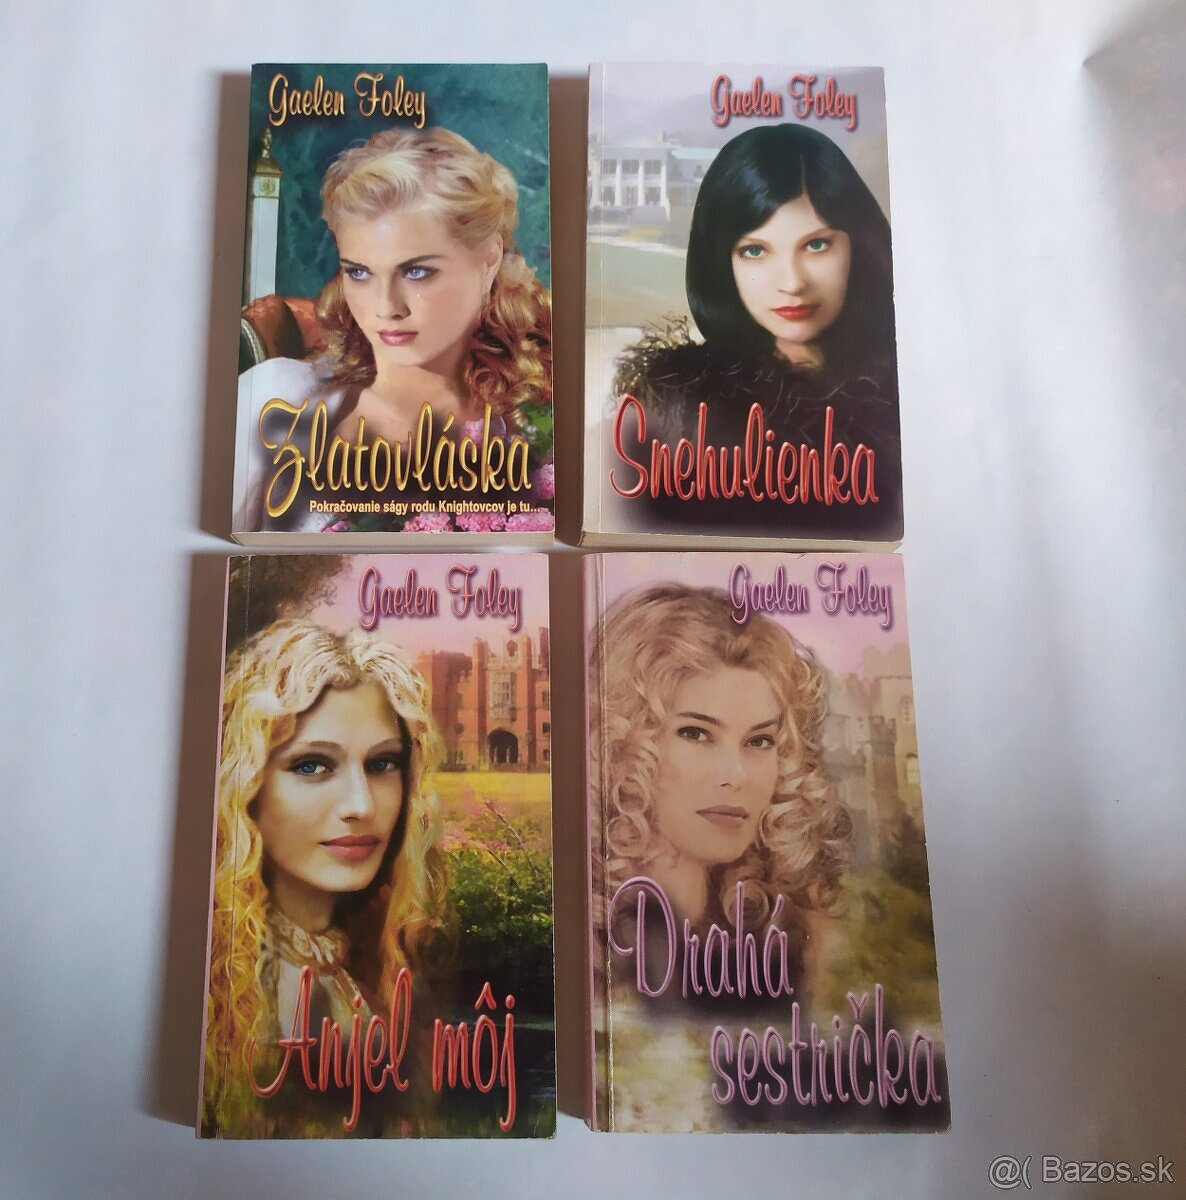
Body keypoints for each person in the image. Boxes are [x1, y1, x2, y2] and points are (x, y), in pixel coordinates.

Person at [236, 125, 552, 532]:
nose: (386, 307)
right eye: (360, 272)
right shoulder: (275, 395)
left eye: (416, 271)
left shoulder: (537, 431)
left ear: (488, 259)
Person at [202, 620, 448, 1134]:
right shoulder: (249, 996)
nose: (361, 806)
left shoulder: (364, 963)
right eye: (312, 766)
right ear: (245, 786)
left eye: (382, 763)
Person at [612, 123, 900, 536]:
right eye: (755, 250)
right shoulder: (678, 406)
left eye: (816, 245)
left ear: (857, 244)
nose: (792, 282)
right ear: (722, 261)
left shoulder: (904, 394)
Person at [588, 584, 851, 985]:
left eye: (759, 741)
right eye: (695, 734)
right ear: (620, 743)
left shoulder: (808, 948)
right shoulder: (573, 942)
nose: (736, 775)